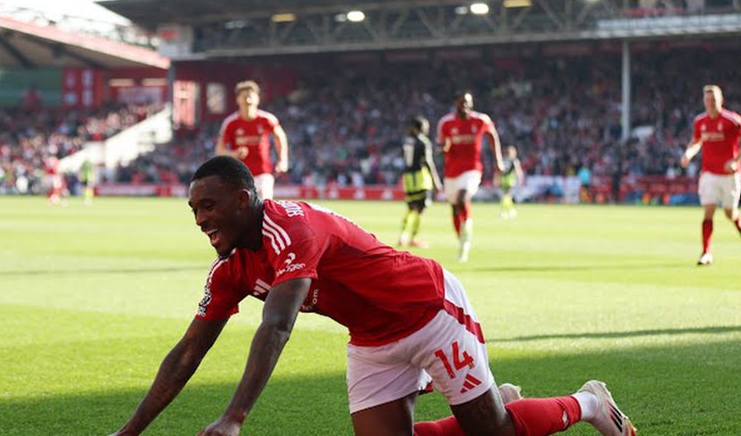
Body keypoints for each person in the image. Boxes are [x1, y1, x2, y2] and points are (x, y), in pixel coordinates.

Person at [109, 156, 636, 436]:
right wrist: (128, 432)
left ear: (245, 200)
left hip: (429, 310)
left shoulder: (292, 228)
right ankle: (494, 403)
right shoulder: (230, 269)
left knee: (495, 435)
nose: (201, 220)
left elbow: (277, 325)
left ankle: (590, 402)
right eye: (194, 211)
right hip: (373, 338)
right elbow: (186, 354)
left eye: (209, 206)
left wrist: (233, 418)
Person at [680, 84, 741, 266]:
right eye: (707, 100)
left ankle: (738, 223)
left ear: (721, 100)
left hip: (730, 175)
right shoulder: (700, 121)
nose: (710, 103)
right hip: (709, 174)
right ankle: (706, 253)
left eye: (713, 99)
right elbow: (696, 141)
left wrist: (736, 159)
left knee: (729, 212)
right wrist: (689, 154)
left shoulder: (731, 120)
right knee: (708, 211)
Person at [437, 91, 504, 263]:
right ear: (456, 104)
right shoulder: (446, 123)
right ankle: (462, 239)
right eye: (461, 102)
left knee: (462, 198)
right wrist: (442, 149)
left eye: (467, 102)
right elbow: (441, 144)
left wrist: (498, 160)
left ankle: (466, 240)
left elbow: (492, 136)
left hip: (472, 170)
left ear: (472, 104)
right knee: (454, 207)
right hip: (451, 172)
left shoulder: (481, 120)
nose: (464, 105)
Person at [216, 80, 289, 200]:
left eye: (251, 96)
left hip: (263, 172)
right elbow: (219, 150)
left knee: (264, 203)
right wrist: (233, 154)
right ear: (237, 99)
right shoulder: (230, 123)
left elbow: (280, 136)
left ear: (258, 99)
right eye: (244, 97)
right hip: (239, 174)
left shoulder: (267, 119)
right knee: (241, 208)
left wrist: (283, 160)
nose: (247, 100)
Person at [399, 116, 443, 248]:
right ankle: (413, 238)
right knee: (420, 209)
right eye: (426, 126)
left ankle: (402, 236)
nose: (428, 129)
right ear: (421, 128)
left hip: (407, 178)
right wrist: (436, 181)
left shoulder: (407, 141)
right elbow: (428, 162)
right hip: (419, 178)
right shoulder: (423, 142)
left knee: (410, 208)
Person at [497, 146, 524, 220]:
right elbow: (518, 170)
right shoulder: (514, 160)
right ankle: (503, 211)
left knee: (506, 196)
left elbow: (498, 169)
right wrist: (520, 177)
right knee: (507, 196)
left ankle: (510, 210)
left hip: (502, 179)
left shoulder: (503, 160)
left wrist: (496, 178)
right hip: (510, 179)